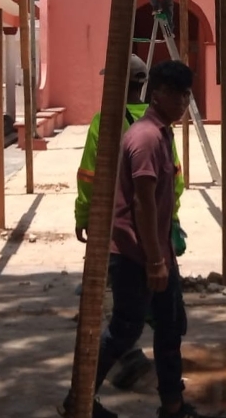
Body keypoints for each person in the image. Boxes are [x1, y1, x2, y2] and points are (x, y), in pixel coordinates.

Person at [60, 60, 216, 418]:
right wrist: (156, 260)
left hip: (154, 245)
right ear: (155, 91)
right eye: (178, 94)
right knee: (125, 330)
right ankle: (79, 400)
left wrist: (166, 232)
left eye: (187, 94)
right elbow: (143, 202)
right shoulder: (145, 137)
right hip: (137, 253)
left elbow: (161, 187)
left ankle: (173, 406)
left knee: (169, 326)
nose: (183, 102)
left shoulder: (156, 131)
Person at [73, 54, 188, 391]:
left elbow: (89, 177)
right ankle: (84, 395)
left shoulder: (107, 122)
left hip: (126, 236)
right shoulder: (154, 131)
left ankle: (168, 402)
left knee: (133, 319)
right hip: (149, 238)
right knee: (150, 319)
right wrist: (172, 219)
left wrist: (84, 215)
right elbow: (175, 181)